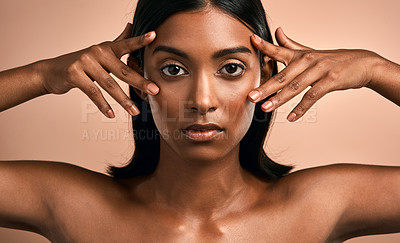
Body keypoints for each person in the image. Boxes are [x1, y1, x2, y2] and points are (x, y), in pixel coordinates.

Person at [0, 0, 399, 242]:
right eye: (173, 69)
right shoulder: (71, 205)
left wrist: (376, 70)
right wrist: (40, 76)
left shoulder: (323, 204)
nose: (202, 101)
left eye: (230, 68)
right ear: (137, 75)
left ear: (266, 72)